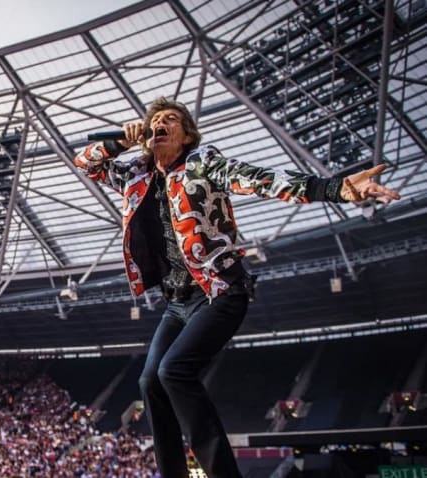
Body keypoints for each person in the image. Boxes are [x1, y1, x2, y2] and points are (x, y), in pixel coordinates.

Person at [73, 96, 400, 478]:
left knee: (173, 372)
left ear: (186, 136)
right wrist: (120, 143)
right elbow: (87, 163)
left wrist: (334, 189)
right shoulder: (137, 174)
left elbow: (260, 180)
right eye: (156, 120)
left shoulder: (202, 163)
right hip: (177, 303)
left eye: (171, 120)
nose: (161, 123)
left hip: (221, 291)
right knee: (150, 381)